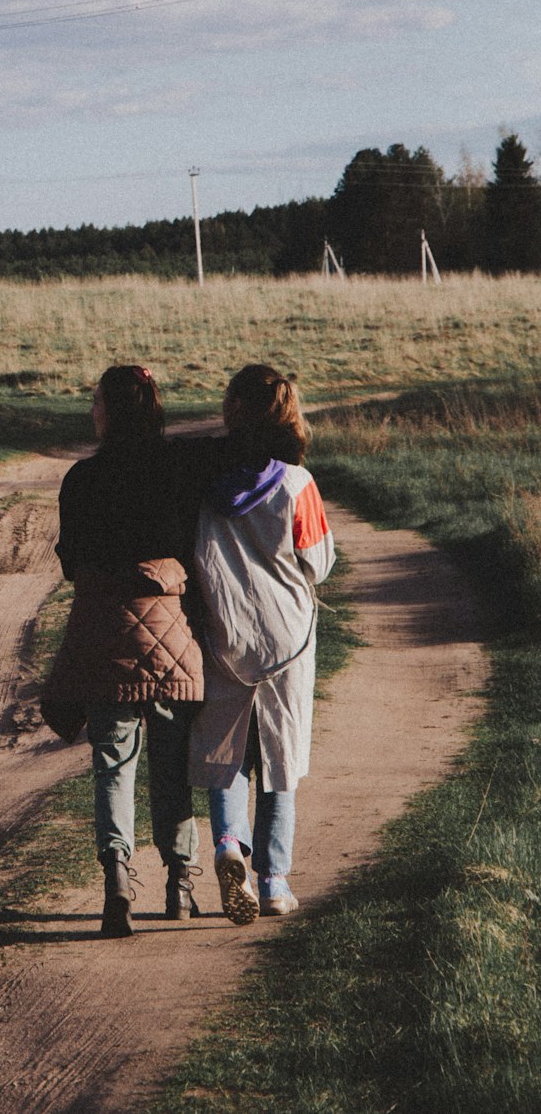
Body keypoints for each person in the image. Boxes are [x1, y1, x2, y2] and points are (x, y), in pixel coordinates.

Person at [42, 365, 205, 937]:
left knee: (112, 763)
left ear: (109, 411)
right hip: (170, 638)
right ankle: (180, 881)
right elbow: (195, 545)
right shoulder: (177, 470)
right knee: (171, 764)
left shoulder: (82, 480)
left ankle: (117, 877)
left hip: (106, 636)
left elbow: (71, 562)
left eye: (96, 401)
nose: (91, 409)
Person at [188, 364, 334, 923]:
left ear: (232, 410)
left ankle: (229, 843)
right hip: (287, 638)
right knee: (281, 755)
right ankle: (273, 881)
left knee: (226, 749)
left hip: (224, 631)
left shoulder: (203, 482)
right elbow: (318, 564)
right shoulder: (298, 485)